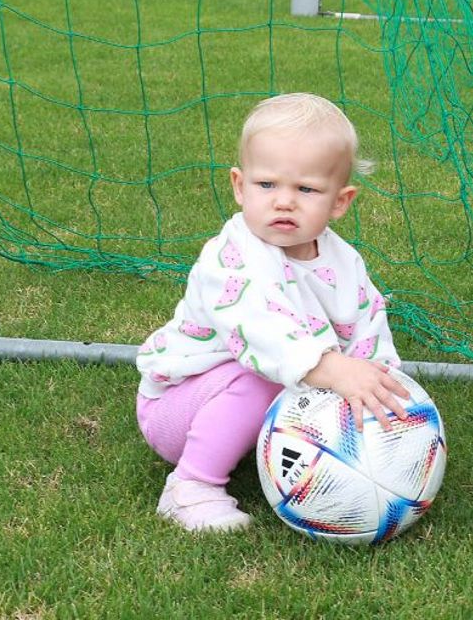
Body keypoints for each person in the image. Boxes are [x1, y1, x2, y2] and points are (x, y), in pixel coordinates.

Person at [135, 93, 410, 532]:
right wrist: (333, 370)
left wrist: (378, 388)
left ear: (340, 201)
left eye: (306, 189)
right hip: (178, 408)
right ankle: (190, 486)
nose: (284, 201)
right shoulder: (231, 257)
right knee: (264, 376)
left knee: (339, 380)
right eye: (266, 185)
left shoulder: (345, 261)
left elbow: (366, 325)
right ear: (239, 186)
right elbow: (261, 334)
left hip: (272, 395)